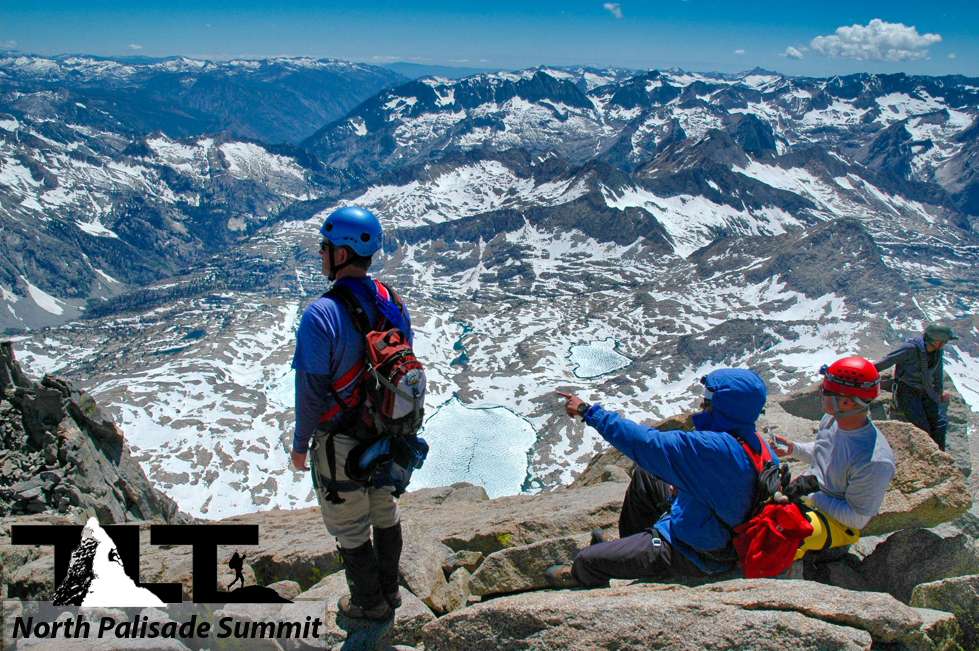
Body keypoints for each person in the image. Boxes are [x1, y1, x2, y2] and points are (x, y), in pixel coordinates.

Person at [290, 206, 413, 621]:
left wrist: (299, 445)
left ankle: (368, 603)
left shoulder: (320, 314)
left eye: (325, 247)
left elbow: (310, 392)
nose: (320, 254)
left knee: (350, 522)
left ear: (341, 254)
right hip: (385, 430)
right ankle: (391, 591)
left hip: (340, 437)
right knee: (384, 508)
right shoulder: (390, 298)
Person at [547, 368, 777, 588]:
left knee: (588, 560)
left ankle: (587, 574)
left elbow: (646, 443)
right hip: (710, 526)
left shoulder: (713, 448)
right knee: (647, 475)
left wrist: (589, 412)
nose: (701, 404)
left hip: (695, 551)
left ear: (724, 406)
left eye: (708, 399)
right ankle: (630, 548)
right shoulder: (757, 446)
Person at [773, 356, 896, 579]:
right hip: (808, 497)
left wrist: (808, 494)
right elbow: (825, 451)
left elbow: (857, 518)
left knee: (779, 533)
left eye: (826, 391)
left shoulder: (874, 460)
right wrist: (795, 449)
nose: (821, 392)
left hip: (837, 526)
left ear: (847, 403)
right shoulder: (832, 420)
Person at [873, 323, 958, 450]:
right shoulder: (910, 348)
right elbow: (886, 361)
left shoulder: (937, 352)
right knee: (922, 426)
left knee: (940, 424)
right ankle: (926, 454)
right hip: (907, 391)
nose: (944, 344)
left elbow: (938, 372)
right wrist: (866, 373)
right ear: (936, 341)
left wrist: (939, 391)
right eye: (943, 342)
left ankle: (940, 454)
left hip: (926, 391)